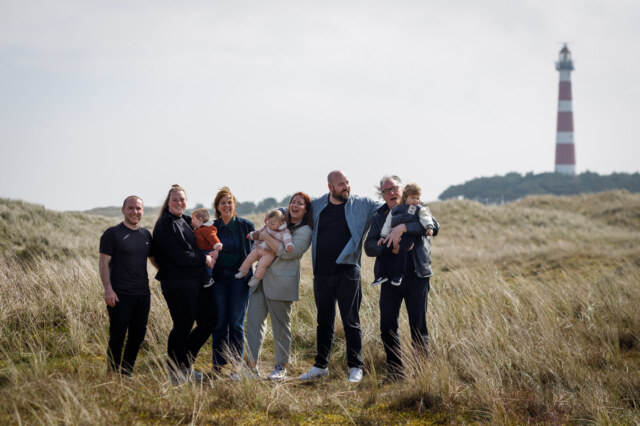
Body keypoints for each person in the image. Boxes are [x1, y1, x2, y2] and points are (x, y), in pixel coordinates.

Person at [299, 170, 394, 384]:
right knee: (324, 321)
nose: (346, 187)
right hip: (321, 273)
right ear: (330, 188)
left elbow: (387, 206)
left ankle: (355, 367)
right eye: (341, 184)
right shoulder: (317, 204)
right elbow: (294, 209)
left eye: (348, 183)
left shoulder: (363, 204)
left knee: (351, 321)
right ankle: (320, 366)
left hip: (348, 271)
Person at [364, 175, 439, 381]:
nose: (391, 193)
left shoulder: (417, 206)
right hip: (389, 278)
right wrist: (392, 247)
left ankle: (422, 376)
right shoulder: (379, 216)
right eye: (386, 190)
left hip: (417, 274)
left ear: (402, 190)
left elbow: (434, 227)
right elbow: (369, 246)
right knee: (387, 326)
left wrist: (404, 227)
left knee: (418, 327)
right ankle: (396, 373)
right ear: (382, 194)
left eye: (395, 188)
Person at [245, 192, 313, 380]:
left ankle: (280, 367)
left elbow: (287, 252)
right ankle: (250, 367)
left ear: (306, 209)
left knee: (281, 326)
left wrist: (266, 236)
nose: (295, 205)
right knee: (253, 321)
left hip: (282, 283)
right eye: (293, 201)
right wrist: (264, 234)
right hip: (261, 279)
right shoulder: (280, 218)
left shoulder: (305, 230)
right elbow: (263, 230)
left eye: (300, 203)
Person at [152, 185, 216, 384]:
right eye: (175, 200)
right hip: (176, 283)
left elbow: (207, 229)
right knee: (182, 325)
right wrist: (204, 259)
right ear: (168, 202)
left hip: (196, 283)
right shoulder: (165, 224)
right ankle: (173, 373)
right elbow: (177, 255)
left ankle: (185, 365)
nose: (179, 203)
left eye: (182, 199)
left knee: (208, 322)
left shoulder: (187, 220)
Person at [99, 195, 155, 376]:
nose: (134, 212)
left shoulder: (146, 235)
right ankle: (112, 372)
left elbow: (154, 260)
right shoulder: (112, 233)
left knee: (137, 336)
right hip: (119, 294)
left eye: (138, 208)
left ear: (142, 211)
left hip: (142, 294)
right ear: (123, 210)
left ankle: (126, 372)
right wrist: (108, 289)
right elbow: (104, 262)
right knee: (117, 337)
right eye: (131, 208)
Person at [209, 186, 255, 378]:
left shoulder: (246, 225)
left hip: (239, 279)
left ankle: (237, 365)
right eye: (223, 203)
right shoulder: (212, 227)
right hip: (218, 280)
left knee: (235, 322)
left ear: (234, 205)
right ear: (217, 207)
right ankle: (218, 365)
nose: (227, 205)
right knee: (219, 323)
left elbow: (256, 250)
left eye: (230, 202)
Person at [372, 182, 434, 286]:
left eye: (418, 198)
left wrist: (429, 227)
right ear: (405, 197)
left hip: (409, 236)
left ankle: (399, 275)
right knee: (385, 250)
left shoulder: (418, 208)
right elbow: (388, 223)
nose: (416, 201)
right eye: (413, 198)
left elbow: (426, 217)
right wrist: (383, 236)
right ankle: (381, 275)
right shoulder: (396, 209)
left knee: (402, 250)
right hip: (393, 236)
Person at [235, 209, 294, 288]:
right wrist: (251, 235)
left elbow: (287, 239)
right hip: (259, 249)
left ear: (280, 223)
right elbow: (259, 232)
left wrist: (289, 245)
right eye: (268, 222)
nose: (269, 225)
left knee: (262, 264)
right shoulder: (267, 226)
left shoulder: (284, 232)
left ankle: (256, 278)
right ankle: (243, 271)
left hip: (269, 253)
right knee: (249, 258)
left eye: (272, 224)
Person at [191, 207, 223, 288]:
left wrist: (217, 245)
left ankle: (209, 277)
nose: (191, 221)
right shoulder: (199, 229)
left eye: (193, 219)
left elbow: (212, 236)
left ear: (200, 220)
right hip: (201, 250)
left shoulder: (207, 229)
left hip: (207, 250)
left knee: (208, 264)